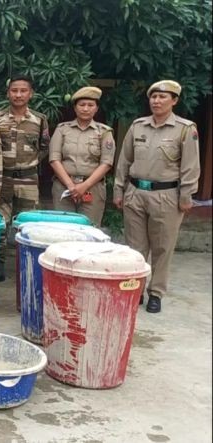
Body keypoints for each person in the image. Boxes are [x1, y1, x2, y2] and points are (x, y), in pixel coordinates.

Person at [113, 80, 200, 314]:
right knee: (134, 247)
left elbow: (191, 166)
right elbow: (124, 161)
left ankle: (156, 292)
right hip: (135, 193)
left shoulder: (185, 128)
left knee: (163, 247)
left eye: (163, 97)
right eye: (154, 97)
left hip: (167, 196)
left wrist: (186, 195)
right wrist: (118, 189)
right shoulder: (137, 126)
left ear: (174, 101)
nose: (157, 101)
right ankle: (135, 290)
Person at [0, 74, 50, 283]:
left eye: (23, 91)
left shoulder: (39, 120)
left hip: (28, 180)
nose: (18, 95)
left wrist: (28, 164)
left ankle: (28, 268)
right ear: (8, 93)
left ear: (30, 94)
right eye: (14, 91)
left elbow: (44, 148)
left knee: (29, 226)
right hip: (3, 179)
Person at [49, 86, 115, 226]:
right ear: (75, 108)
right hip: (64, 187)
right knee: (63, 229)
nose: (86, 109)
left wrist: (84, 186)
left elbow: (106, 163)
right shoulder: (62, 129)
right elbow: (54, 159)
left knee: (89, 230)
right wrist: (71, 186)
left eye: (90, 105)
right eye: (82, 105)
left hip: (93, 189)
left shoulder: (104, 132)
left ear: (96, 108)